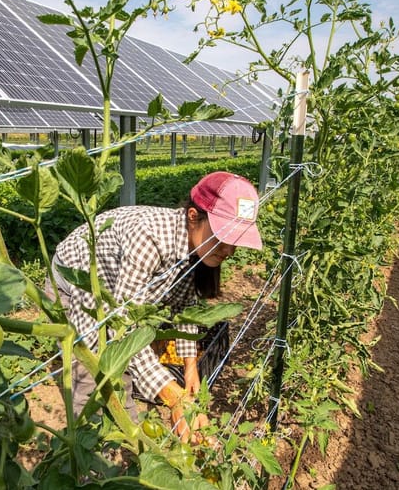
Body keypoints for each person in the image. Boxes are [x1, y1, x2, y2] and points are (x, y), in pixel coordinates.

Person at [47, 171, 263, 440]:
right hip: (78, 278)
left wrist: (190, 366)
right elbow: (124, 330)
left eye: (236, 242)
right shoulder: (148, 239)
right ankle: (88, 453)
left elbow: (181, 304)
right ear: (193, 217)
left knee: (122, 373)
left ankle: (125, 442)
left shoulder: (194, 245)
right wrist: (174, 398)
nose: (229, 251)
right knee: (91, 375)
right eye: (222, 237)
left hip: (115, 287)